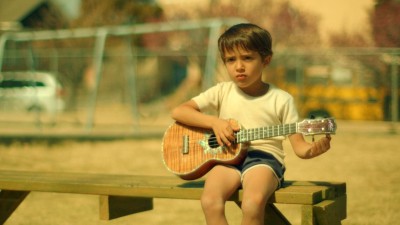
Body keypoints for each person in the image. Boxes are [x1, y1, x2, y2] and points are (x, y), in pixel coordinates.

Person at [170, 23, 332, 225]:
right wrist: (214, 122)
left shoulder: (281, 99)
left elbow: (300, 148)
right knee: (210, 200)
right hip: (226, 157)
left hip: (263, 160)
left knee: (252, 203)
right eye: (231, 60)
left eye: (247, 58)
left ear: (266, 60)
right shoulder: (222, 91)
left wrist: (314, 149)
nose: (239, 66)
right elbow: (179, 111)